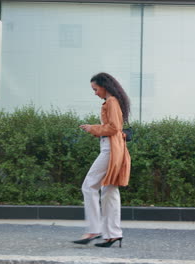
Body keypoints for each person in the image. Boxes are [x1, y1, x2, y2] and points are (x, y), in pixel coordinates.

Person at [73, 72, 131, 248]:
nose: (95, 93)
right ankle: (113, 234)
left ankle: (94, 229)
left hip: (110, 149)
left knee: (89, 185)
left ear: (104, 86)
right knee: (109, 191)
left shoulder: (112, 102)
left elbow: (113, 127)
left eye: (95, 89)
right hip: (114, 147)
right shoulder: (113, 101)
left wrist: (92, 128)